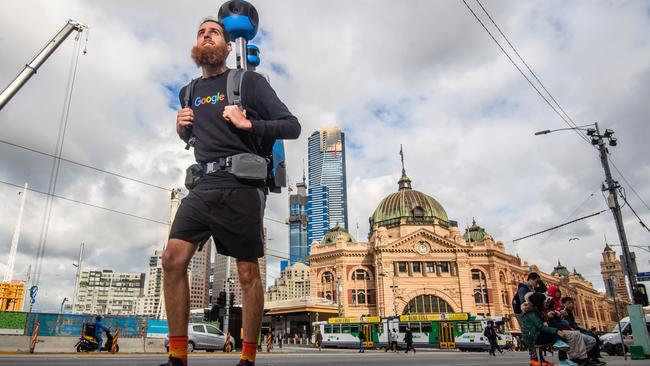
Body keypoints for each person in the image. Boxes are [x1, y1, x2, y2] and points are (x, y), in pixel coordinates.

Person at [160, 17, 300, 366]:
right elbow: (198, 139)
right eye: (201, 32)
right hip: (203, 184)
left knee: (247, 273)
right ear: (197, 45)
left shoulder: (247, 83)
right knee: (172, 260)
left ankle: (247, 359)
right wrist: (182, 132)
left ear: (226, 47)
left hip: (241, 185)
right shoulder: (188, 91)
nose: (206, 35)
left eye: (214, 32)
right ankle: (178, 357)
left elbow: (292, 125)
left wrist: (246, 122)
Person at [521, 292, 597, 366]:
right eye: (544, 301)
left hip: (539, 334)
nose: (546, 302)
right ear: (539, 302)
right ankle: (566, 359)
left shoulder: (538, 311)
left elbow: (544, 324)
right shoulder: (532, 313)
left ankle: (578, 358)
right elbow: (541, 326)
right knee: (563, 335)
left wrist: (552, 317)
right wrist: (556, 330)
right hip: (535, 338)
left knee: (569, 334)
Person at [561, 297, 605, 366]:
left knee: (594, 335)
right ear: (564, 304)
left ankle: (593, 357)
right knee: (592, 339)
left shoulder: (570, 312)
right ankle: (584, 357)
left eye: (572, 302)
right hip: (571, 333)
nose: (572, 304)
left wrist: (585, 330)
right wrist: (585, 330)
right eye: (569, 303)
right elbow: (571, 325)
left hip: (575, 331)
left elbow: (574, 324)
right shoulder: (564, 312)